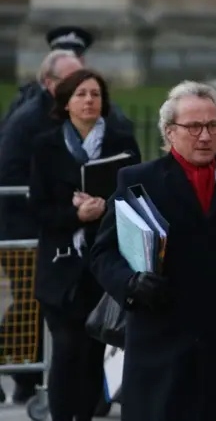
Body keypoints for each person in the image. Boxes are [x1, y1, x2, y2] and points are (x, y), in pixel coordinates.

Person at [90, 80, 216, 421]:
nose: (205, 136)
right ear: (170, 132)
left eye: (212, 125)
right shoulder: (139, 181)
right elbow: (102, 255)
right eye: (194, 127)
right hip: (159, 346)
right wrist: (130, 283)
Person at [29, 69, 141, 421]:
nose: (89, 100)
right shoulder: (45, 145)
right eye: (80, 94)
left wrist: (103, 207)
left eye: (95, 94)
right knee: (66, 348)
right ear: (65, 103)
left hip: (102, 263)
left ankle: (86, 415)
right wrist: (76, 214)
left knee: (94, 352)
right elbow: (39, 209)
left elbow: (135, 199)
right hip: (60, 266)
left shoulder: (122, 142)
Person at [0, 49, 83, 404]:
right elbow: (11, 175)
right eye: (72, 80)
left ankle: (27, 378)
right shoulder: (28, 121)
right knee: (31, 303)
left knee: (46, 304)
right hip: (25, 229)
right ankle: (22, 374)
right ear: (49, 84)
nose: (83, 87)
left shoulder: (77, 113)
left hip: (59, 226)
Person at [1, 26, 132, 133]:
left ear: (82, 62)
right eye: (61, 57)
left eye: (73, 58)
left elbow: (122, 131)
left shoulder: (95, 98)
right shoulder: (29, 100)